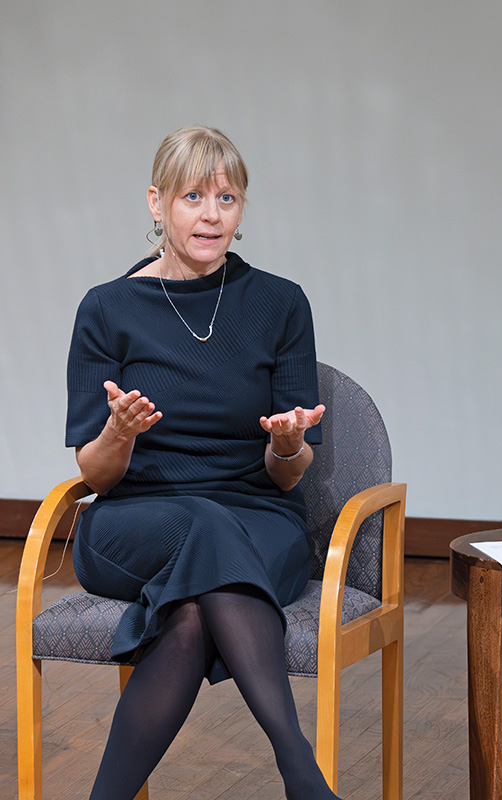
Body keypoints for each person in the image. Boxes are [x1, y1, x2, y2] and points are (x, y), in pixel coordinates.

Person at [65, 125, 338, 800]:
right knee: (204, 527)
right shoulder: (107, 308)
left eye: (227, 197)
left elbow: (290, 474)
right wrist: (120, 435)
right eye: (193, 196)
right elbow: (95, 476)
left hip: (260, 518)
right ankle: (299, 769)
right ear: (157, 203)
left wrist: (285, 444)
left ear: (242, 209)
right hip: (135, 520)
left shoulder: (281, 303)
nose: (211, 214)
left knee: (186, 615)